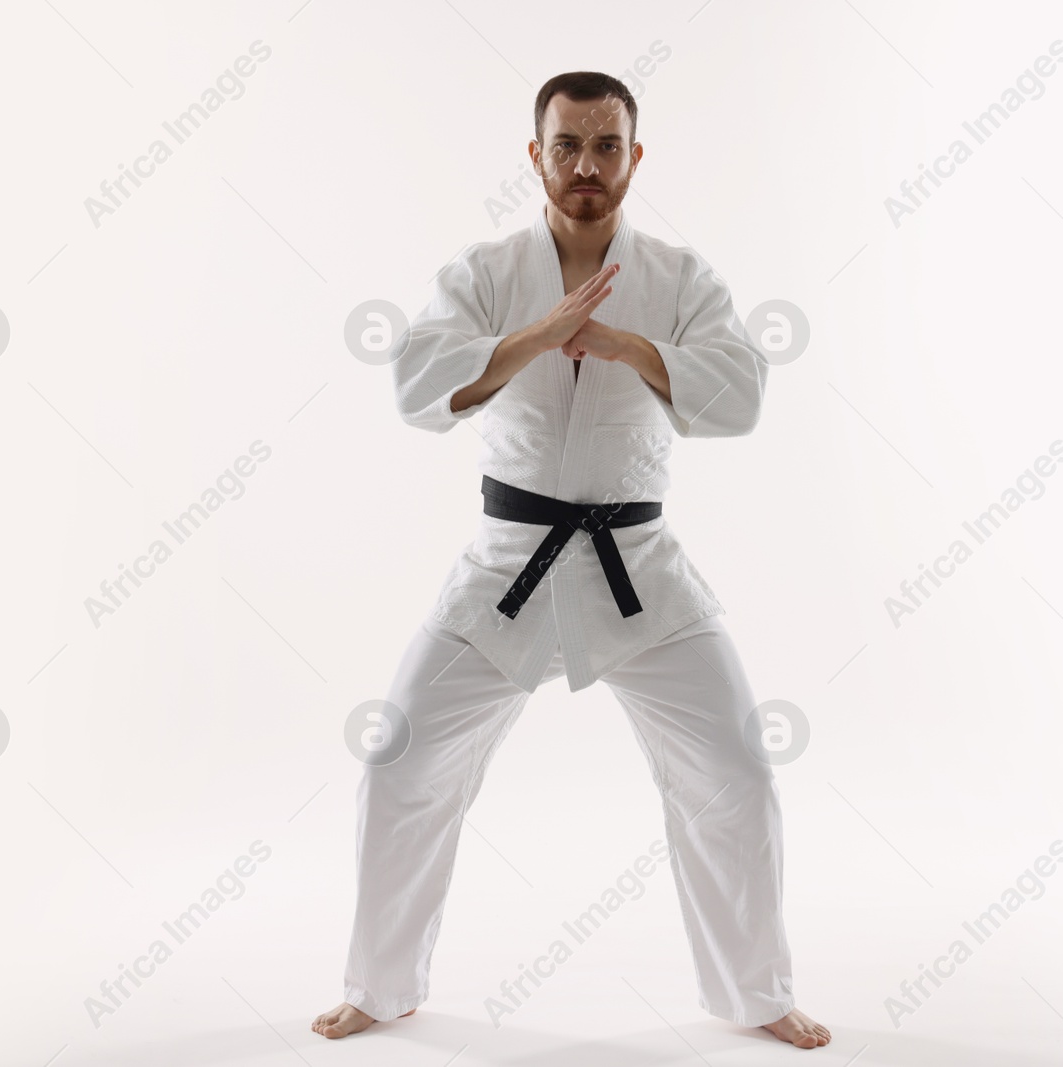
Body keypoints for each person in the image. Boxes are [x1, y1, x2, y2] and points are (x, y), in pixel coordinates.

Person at [314, 71, 830, 1050]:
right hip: (504, 565)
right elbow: (415, 382)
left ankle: (756, 991)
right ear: (535, 154)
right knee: (400, 762)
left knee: (736, 769)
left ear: (633, 156)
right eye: (567, 145)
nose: (586, 165)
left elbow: (744, 393)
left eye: (605, 146)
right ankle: (380, 986)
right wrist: (536, 337)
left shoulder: (679, 277)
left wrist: (626, 343)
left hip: (641, 566)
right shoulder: (484, 269)